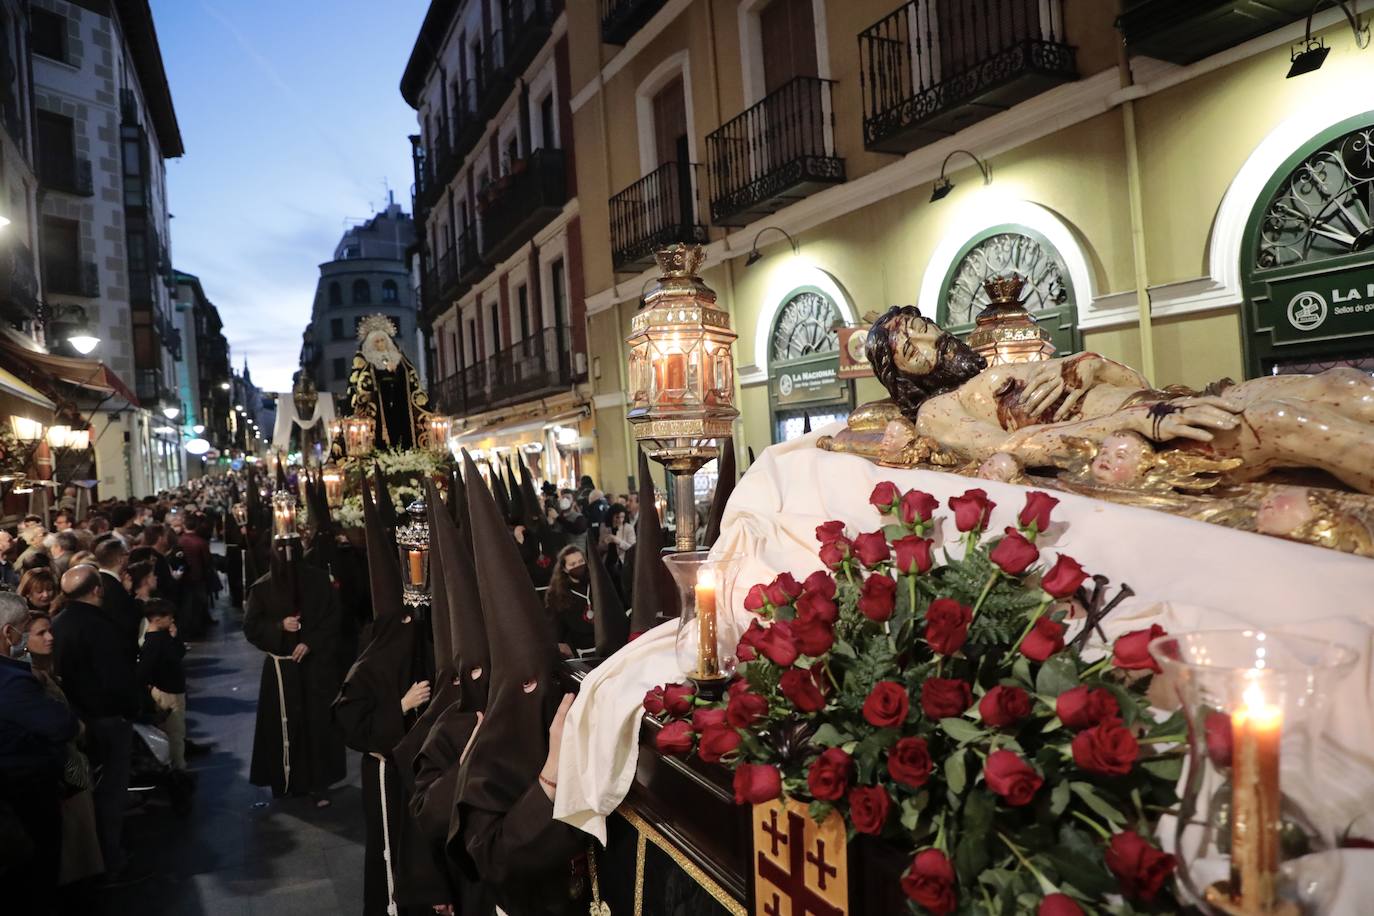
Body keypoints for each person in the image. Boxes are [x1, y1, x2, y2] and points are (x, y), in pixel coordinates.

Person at [857, 305, 1374, 492]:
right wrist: (1146, 420)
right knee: (1286, 421)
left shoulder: (992, 370)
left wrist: (1090, 366)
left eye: (924, 327)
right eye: (912, 348)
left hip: (1172, 400)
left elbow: (1128, 379)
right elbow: (1021, 447)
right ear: (901, 377)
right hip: (1152, 438)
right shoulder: (937, 413)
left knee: (1344, 384)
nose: (931, 339)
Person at [49, 565, 142, 883]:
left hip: (79, 718)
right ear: (98, 590)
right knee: (112, 792)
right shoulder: (101, 627)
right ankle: (112, 859)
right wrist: (131, 710)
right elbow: (117, 678)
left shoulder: (59, 625)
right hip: (108, 719)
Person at [243, 540, 347, 805]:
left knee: (316, 726)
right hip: (282, 671)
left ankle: (317, 783)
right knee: (283, 726)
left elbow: (334, 618)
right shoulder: (263, 587)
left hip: (314, 670)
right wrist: (279, 626)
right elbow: (252, 627)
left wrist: (310, 641)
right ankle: (286, 781)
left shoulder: (320, 582)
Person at [0, 592, 80, 916]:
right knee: (37, 871)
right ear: (9, 633)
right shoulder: (13, 682)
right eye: (24, 628)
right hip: (24, 789)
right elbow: (61, 726)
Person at [22, 611, 105, 895]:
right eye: (41, 633)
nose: (50, 637)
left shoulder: (48, 667)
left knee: (82, 820)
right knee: (74, 825)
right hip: (63, 760)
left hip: (72, 756)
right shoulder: (29, 678)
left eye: (49, 631)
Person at [137, 600, 188, 773]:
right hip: (169, 691)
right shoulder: (156, 643)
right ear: (157, 619)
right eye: (168, 617)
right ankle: (179, 770)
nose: (172, 620)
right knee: (175, 734)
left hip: (166, 689)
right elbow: (145, 671)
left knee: (171, 732)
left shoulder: (157, 639)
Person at [545, 545, 592, 658]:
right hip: (580, 653)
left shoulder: (597, 583)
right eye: (572, 564)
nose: (578, 566)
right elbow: (556, 630)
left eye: (581, 561)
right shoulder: (557, 595)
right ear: (565, 569)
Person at [93, 538, 139, 648]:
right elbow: (126, 623)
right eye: (127, 554)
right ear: (120, 559)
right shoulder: (113, 587)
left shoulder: (97, 581)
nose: (129, 558)